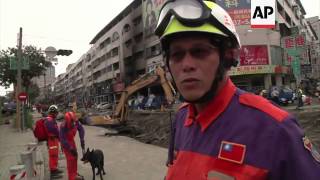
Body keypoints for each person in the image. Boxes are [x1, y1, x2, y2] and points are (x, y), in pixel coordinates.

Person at [154, 1, 320, 179]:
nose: (186, 65)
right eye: (177, 55)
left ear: (228, 56)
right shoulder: (180, 118)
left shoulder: (276, 128)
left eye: (200, 51)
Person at [59, 106, 85, 180]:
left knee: (75, 157)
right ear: (67, 121)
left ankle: (74, 173)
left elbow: (81, 129)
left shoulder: (75, 121)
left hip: (71, 141)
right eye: (71, 122)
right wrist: (70, 148)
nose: (73, 124)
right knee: (70, 159)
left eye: (73, 122)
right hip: (66, 143)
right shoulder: (63, 126)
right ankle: (71, 177)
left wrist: (82, 140)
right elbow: (62, 139)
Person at [45, 105, 63, 179]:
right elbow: (55, 131)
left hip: (53, 140)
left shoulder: (50, 119)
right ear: (53, 113)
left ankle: (54, 168)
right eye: (56, 113)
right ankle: (53, 172)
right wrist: (59, 137)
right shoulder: (50, 120)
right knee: (53, 155)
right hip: (52, 140)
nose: (56, 114)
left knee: (55, 155)